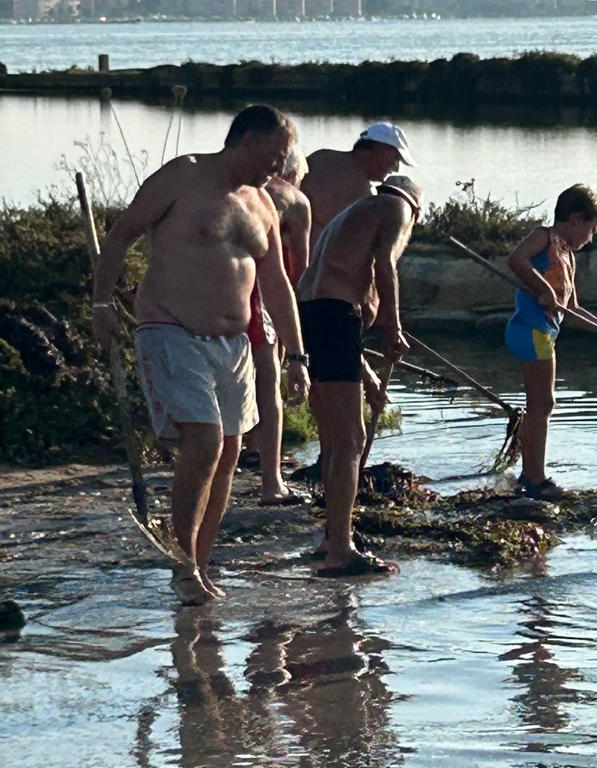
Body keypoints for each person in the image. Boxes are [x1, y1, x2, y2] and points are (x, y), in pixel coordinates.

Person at [91, 104, 310, 605]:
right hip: (171, 329)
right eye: (274, 157)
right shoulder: (183, 176)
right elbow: (122, 234)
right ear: (246, 141)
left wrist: (297, 357)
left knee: (232, 451)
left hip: (233, 345)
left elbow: (276, 284)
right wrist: (102, 303)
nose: (278, 169)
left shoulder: (263, 205)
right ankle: (183, 564)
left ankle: (200, 563)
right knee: (206, 441)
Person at [296, 175, 422, 575]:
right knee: (349, 440)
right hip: (334, 315)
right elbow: (385, 264)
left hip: (313, 313)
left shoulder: (355, 212)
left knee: (336, 440)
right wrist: (392, 327)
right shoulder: (397, 208)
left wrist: (365, 373)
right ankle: (341, 550)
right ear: (416, 207)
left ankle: (332, 537)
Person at [506, 184, 597, 499]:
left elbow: (571, 309)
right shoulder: (543, 238)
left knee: (542, 404)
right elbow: (516, 259)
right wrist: (542, 287)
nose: (590, 239)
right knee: (542, 404)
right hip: (530, 330)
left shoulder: (566, 256)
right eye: (590, 230)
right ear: (575, 218)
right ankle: (535, 479)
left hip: (544, 333)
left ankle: (528, 475)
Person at [242, 143, 312, 504]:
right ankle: (272, 482)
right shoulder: (294, 200)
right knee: (268, 386)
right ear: (291, 173)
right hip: (263, 294)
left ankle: (247, 450)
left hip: (227, 289)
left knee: (234, 379)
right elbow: (302, 268)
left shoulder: (239, 188)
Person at [302, 122, 415, 241]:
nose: (396, 168)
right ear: (381, 149)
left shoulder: (320, 157)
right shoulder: (365, 196)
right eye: (395, 158)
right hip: (318, 254)